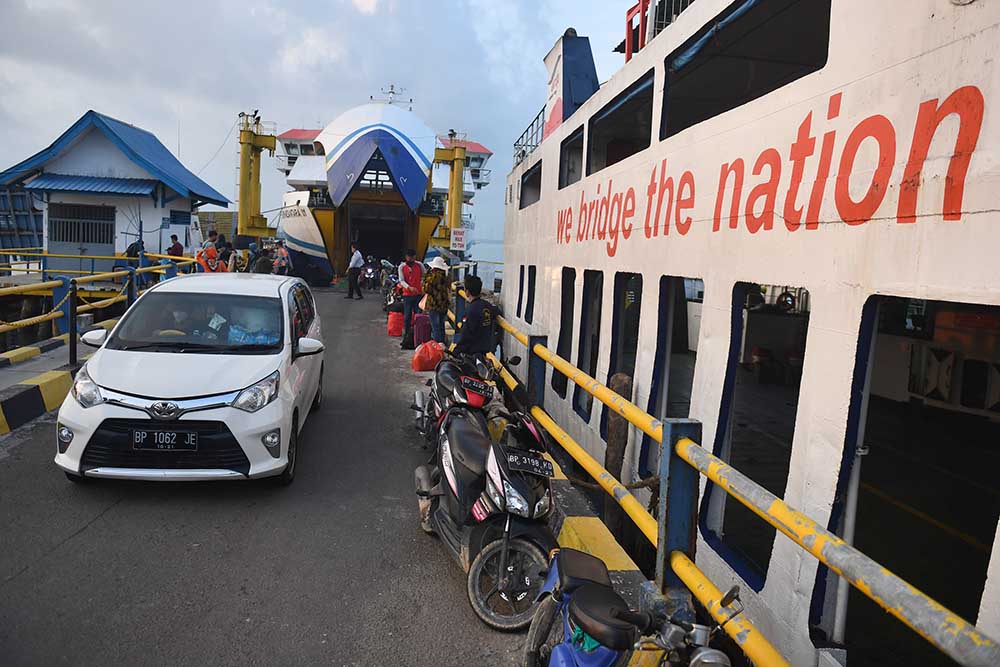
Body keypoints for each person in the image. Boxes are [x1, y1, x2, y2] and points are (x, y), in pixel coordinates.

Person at [453, 274, 497, 355]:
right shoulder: (487, 306)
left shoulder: (471, 311)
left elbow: (465, 336)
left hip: (472, 352)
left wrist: (455, 352)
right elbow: (496, 312)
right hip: (485, 350)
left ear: (467, 292)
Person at [421, 256, 450, 344]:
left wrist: (426, 276)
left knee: (435, 327)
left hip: (434, 305)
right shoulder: (447, 276)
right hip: (443, 305)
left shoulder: (433, 277)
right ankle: (442, 345)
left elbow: (426, 289)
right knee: (441, 327)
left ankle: (437, 346)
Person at [398, 248, 423, 334]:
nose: (411, 259)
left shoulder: (420, 265)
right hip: (407, 295)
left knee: (418, 315)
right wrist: (409, 287)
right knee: (407, 316)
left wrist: (422, 286)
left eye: (412, 257)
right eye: (409, 257)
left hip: (418, 294)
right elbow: (401, 280)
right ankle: (407, 333)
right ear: (406, 257)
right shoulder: (401, 267)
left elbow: (424, 276)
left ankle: (418, 333)